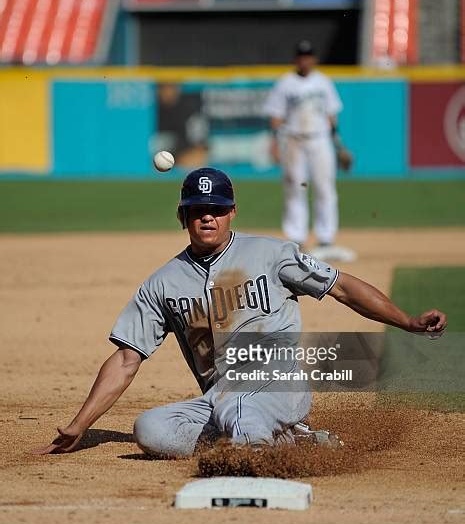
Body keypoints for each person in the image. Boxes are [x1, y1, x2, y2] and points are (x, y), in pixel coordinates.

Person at [33, 168, 447, 457]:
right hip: (219, 397)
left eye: (216, 207)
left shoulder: (272, 254)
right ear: (183, 217)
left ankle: (250, 458)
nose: (207, 215)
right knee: (151, 429)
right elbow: (126, 359)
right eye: (197, 209)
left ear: (232, 212)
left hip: (278, 383)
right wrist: (81, 423)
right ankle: (289, 442)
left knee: (239, 403)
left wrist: (407, 321)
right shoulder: (163, 283)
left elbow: (343, 288)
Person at [264, 39, 356, 262]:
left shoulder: (323, 82)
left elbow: (331, 115)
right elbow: (276, 117)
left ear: (313, 59)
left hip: (320, 139)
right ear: (296, 59)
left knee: (325, 188)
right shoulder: (285, 83)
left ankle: (326, 238)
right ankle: (297, 237)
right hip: (294, 140)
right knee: (295, 188)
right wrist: (275, 144)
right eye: (301, 56)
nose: (305, 60)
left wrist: (339, 145)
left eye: (308, 56)